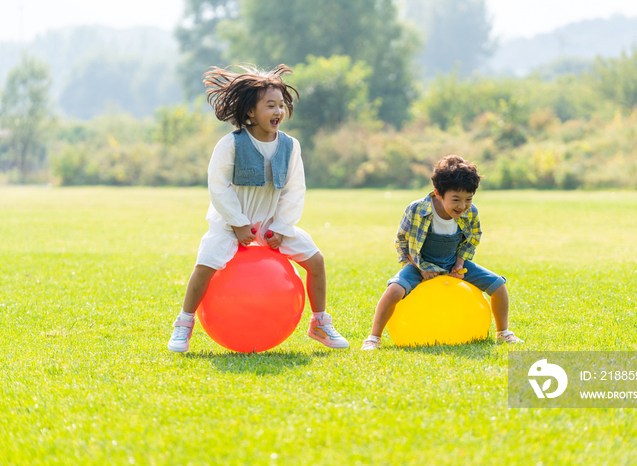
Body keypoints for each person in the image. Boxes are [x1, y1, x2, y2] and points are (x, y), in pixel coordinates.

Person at [168, 64, 349, 352]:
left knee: (316, 261)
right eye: (270, 105)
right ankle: (184, 323)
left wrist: (281, 227)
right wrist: (238, 223)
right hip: (231, 224)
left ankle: (319, 322)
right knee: (205, 264)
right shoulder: (231, 144)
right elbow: (218, 186)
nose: (278, 111)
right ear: (251, 111)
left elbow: (294, 189)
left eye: (281, 105)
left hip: (271, 224)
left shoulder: (291, 146)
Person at [361, 155, 523, 350]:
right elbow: (402, 242)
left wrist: (459, 263)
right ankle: (373, 338)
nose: (462, 206)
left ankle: (503, 333)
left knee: (499, 286)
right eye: (456, 200)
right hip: (419, 263)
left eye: (468, 199)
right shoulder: (417, 209)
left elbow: (472, 239)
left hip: (452, 262)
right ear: (438, 193)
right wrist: (422, 268)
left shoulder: (470, 212)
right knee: (394, 290)